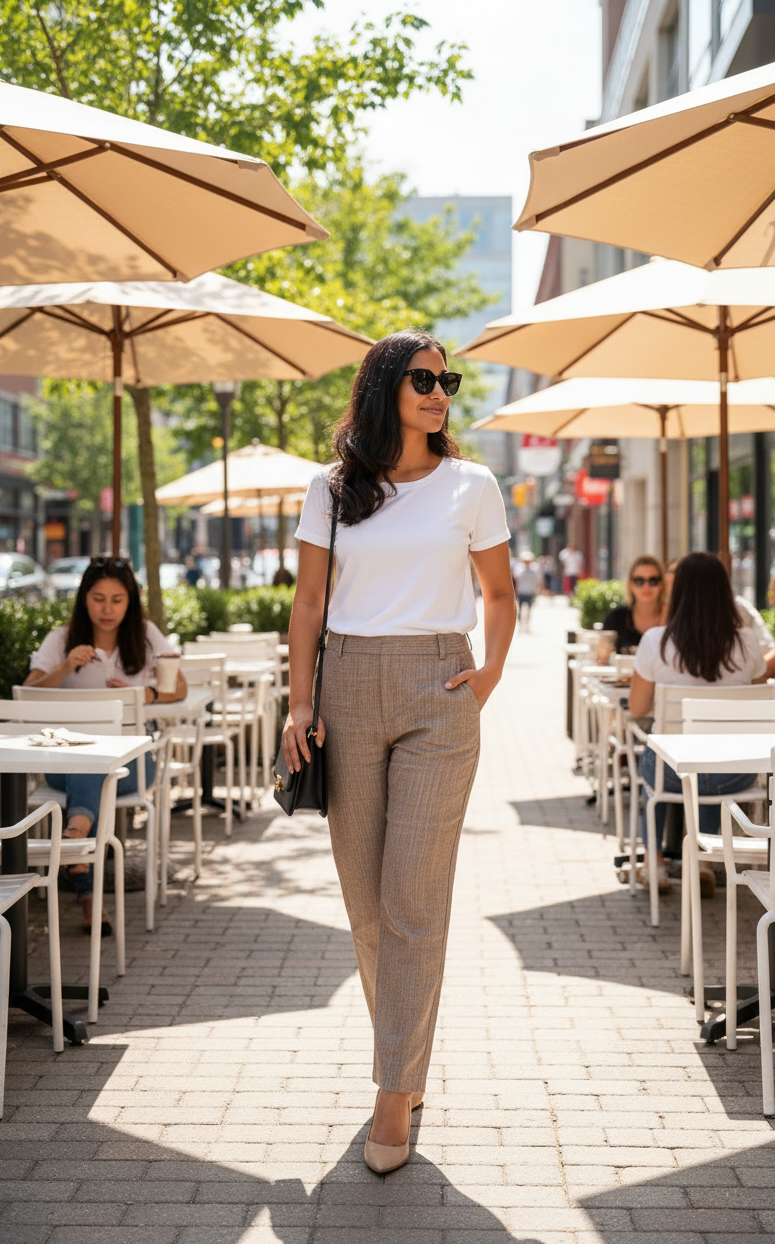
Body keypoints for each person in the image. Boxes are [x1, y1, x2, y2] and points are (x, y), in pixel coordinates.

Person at [284, 330, 515, 1174]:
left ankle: (392, 1095)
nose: (439, 391)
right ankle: (406, 1062)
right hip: (344, 686)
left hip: (437, 689)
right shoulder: (331, 488)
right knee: (369, 905)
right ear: (385, 387)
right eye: (422, 378)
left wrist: (484, 679)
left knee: (413, 899)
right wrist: (299, 701)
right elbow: (309, 604)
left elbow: (498, 593)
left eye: (447, 380)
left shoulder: (471, 484)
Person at [25, 557, 187, 932]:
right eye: (98, 599)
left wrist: (142, 693)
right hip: (65, 763)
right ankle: (79, 844)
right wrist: (65, 668)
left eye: (117, 599)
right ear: (84, 599)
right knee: (89, 761)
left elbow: (179, 686)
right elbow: (26, 693)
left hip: (133, 763)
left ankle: (77, 848)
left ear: (130, 600)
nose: (107, 609)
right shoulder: (61, 638)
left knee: (96, 765)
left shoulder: (145, 636)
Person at [628, 552, 767, 896]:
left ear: (678, 593)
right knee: (708, 770)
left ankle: (654, 863)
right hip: (735, 772)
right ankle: (704, 861)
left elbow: (637, 708)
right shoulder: (747, 641)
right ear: (724, 592)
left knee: (657, 766)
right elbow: (761, 699)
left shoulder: (655, 641)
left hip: (672, 774)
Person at [602, 555, 667, 653]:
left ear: (662, 584)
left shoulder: (674, 617)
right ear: (630, 584)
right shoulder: (616, 618)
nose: (646, 586)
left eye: (653, 581)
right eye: (639, 581)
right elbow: (602, 654)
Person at [514, 552, 541, 627]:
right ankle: (520, 624)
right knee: (520, 609)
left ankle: (528, 624)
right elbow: (516, 580)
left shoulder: (534, 569)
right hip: (521, 591)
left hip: (530, 591)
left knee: (529, 609)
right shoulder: (519, 568)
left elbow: (537, 580)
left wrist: (537, 590)